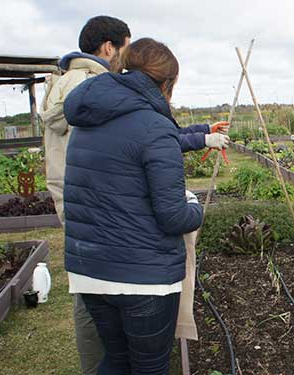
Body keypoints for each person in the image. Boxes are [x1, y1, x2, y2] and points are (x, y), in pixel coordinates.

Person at [62, 37, 206, 374]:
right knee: (150, 366)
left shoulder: (86, 121)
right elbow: (172, 216)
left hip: (90, 272)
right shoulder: (156, 127)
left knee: (115, 359)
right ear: (166, 83)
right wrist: (195, 207)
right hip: (144, 278)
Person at [40, 15, 131, 374]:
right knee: (94, 295)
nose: (128, 57)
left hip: (73, 199)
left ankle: (102, 363)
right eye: (126, 47)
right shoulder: (93, 88)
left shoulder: (63, 84)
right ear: (109, 48)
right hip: (95, 201)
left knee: (88, 285)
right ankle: (101, 365)